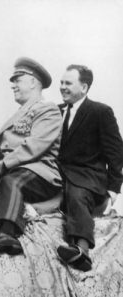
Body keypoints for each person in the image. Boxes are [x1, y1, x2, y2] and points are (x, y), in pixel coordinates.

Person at [0, 57, 63, 255]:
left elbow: (35, 145)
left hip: (39, 173)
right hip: (11, 170)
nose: (13, 86)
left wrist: (3, 165)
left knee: (12, 180)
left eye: (17, 80)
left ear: (33, 82)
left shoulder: (47, 109)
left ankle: (8, 234)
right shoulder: (16, 114)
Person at [57, 64, 123, 271]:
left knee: (77, 194)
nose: (62, 87)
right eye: (61, 82)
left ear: (84, 87)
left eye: (68, 83)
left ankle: (81, 250)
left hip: (87, 176)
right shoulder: (55, 112)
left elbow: (116, 154)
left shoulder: (100, 112)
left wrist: (113, 191)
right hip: (58, 173)